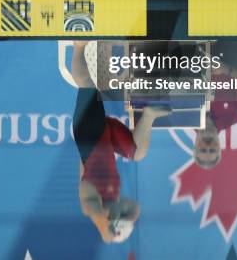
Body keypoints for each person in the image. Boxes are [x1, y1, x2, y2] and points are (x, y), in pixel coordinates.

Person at [72, 41, 168, 242]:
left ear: (110, 219)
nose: (123, 211)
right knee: (138, 153)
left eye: (119, 215)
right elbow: (135, 208)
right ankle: (149, 114)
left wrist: (105, 229)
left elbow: (93, 212)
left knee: (87, 84)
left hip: (90, 135)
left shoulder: (91, 204)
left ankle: (78, 46)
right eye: (123, 215)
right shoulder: (114, 198)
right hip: (108, 139)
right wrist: (127, 219)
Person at [194, 41, 237, 169]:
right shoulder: (235, 115)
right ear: (219, 146)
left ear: (196, 146)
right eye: (212, 150)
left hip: (194, 42)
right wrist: (223, 68)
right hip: (231, 39)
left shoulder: (182, 113)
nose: (208, 146)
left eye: (203, 150)